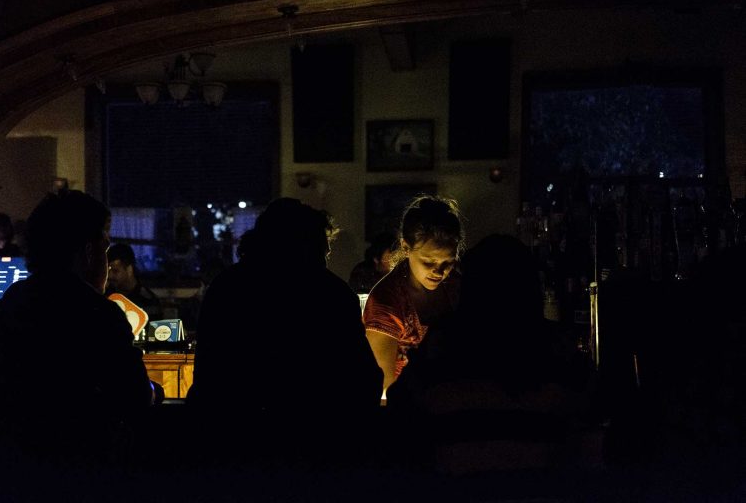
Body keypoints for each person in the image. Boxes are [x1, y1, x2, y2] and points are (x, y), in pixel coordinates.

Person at [385, 234, 601, 482]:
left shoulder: (441, 344)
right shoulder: (558, 348)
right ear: (531, 288)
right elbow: (592, 414)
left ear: (470, 288)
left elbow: (400, 410)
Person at [0, 190, 154, 475]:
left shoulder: (13, 302)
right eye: (104, 249)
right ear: (87, 251)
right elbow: (135, 399)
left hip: (10, 473)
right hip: (80, 473)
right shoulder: (99, 313)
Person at [188, 198, 382, 413]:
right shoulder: (332, 294)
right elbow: (365, 378)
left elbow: (208, 376)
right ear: (306, 248)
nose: (325, 262)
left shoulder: (226, 287)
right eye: (322, 253)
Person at [362, 195, 464, 395]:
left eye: (448, 263)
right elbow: (384, 384)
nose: (439, 272)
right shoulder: (387, 301)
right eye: (429, 262)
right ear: (406, 247)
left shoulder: (456, 286)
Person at [106, 242, 159, 318]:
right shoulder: (106, 296)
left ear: (129, 269)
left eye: (115, 271)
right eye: (108, 271)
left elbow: (155, 328)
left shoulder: (148, 300)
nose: (110, 276)